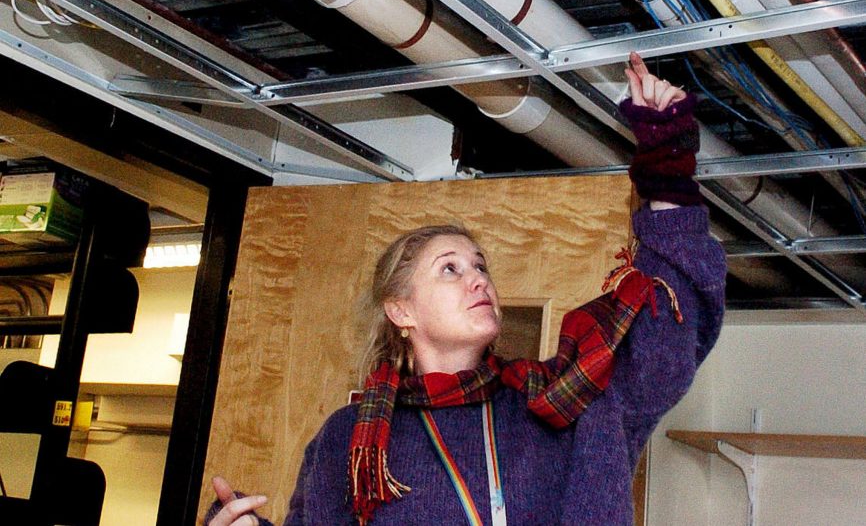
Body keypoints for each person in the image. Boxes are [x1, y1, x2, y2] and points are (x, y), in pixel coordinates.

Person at [206, 52, 727, 526]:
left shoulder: (558, 405)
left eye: (480, 266)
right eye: (450, 269)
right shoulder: (348, 440)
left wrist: (667, 169)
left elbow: (666, 344)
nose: (479, 278)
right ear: (400, 309)